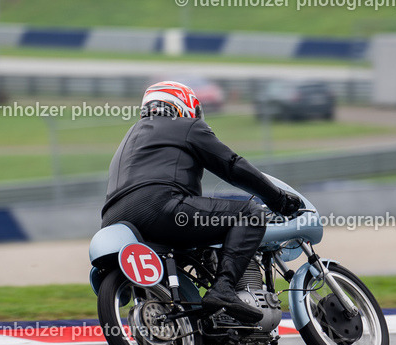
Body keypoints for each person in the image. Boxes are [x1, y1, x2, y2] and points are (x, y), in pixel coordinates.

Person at [101, 81, 303, 324]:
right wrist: (277, 198)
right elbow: (231, 165)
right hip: (161, 207)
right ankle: (224, 289)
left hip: (114, 220)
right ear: (183, 106)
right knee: (250, 214)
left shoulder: (127, 140)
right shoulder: (184, 126)